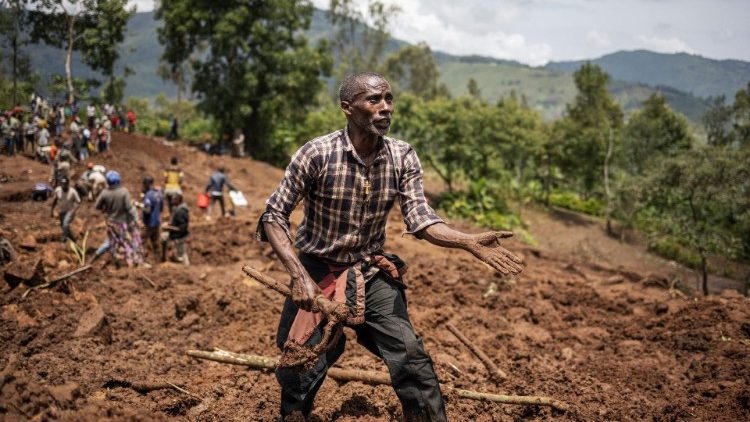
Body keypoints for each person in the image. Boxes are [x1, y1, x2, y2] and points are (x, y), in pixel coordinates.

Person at [257, 73, 523, 421]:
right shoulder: (317, 153)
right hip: (316, 268)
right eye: (374, 100)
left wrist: (467, 241)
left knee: (410, 355)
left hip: (369, 271)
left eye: (388, 99)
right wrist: (299, 276)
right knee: (300, 362)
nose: (385, 108)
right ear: (348, 109)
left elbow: (421, 218)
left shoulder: (402, 156)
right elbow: (273, 214)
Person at [91, 170, 143, 267]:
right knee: (128, 242)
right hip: (122, 223)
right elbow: (129, 208)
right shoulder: (123, 192)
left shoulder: (105, 193)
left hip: (111, 223)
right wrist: (136, 219)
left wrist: (105, 208)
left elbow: (97, 206)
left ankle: (114, 261)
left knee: (112, 242)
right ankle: (132, 263)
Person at [161, 193, 190, 265]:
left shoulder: (180, 212)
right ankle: (164, 258)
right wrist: (169, 224)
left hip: (179, 236)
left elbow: (182, 229)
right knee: (163, 238)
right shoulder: (178, 209)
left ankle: (186, 268)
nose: (171, 201)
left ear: (178, 200)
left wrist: (168, 228)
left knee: (182, 256)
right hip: (177, 235)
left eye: (173, 199)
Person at [50, 177, 81, 243]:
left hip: (70, 211)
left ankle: (64, 238)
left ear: (68, 184)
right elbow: (54, 200)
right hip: (61, 211)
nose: (63, 185)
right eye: (62, 184)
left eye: (65, 184)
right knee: (64, 227)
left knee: (65, 225)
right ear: (61, 184)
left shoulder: (73, 191)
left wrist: (74, 210)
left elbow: (78, 202)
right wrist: (52, 210)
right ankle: (73, 239)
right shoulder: (58, 190)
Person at [141, 176, 164, 261]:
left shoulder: (148, 195)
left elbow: (147, 210)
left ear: (147, 184)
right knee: (156, 244)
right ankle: (159, 261)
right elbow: (161, 209)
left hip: (149, 223)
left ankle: (141, 260)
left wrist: (140, 207)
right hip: (157, 222)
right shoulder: (159, 193)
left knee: (141, 242)